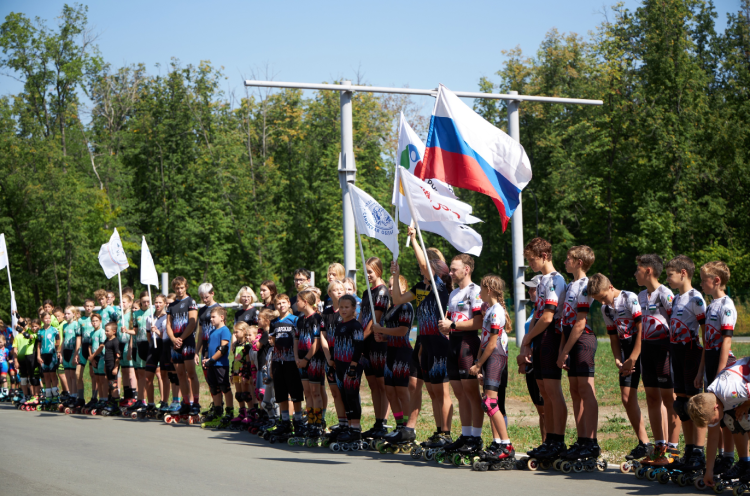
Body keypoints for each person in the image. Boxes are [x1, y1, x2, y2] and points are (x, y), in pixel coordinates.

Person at [391, 228, 453, 446]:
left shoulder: (442, 284)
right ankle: (431, 431)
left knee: (441, 389)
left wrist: (413, 239)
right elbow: (397, 298)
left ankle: (445, 433)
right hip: (424, 342)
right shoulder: (421, 288)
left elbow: (427, 265)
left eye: (423, 265)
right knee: (424, 388)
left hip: (439, 342)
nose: (420, 269)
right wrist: (396, 274)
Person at [588, 273, 651, 458]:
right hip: (626, 352)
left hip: (641, 349)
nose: (602, 302)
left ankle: (665, 444)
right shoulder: (605, 309)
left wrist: (634, 357)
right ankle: (644, 443)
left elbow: (642, 329)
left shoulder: (629, 298)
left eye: (602, 297)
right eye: (598, 300)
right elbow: (613, 336)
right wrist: (618, 357)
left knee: (654, 396)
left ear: (610, 287)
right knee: (626, 397)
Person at [519, 238, 568, 459]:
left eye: (532, 260)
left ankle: (558, 441)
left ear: (545, 256)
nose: (530, 265)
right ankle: (549, 440)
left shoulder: (555, 280)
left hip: (550, 337)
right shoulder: (541, 281)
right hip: (539, 338)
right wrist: (529, 341)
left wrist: (527, 339)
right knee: (544, 393)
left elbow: (548, 316)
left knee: (553, 392)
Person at [635, 254, 680, 463]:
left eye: (638, 269)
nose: (635, 273)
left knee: (669, 400)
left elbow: (675, 320)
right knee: (652, 398)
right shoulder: (641, 295)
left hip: (664, 350)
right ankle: (659, 445)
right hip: (647, 350)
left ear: (648, 271)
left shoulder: (665, 293)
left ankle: (673, 449)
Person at [437, 254, 485, 454]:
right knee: (459, 393)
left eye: (454, 269)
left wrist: (454, 325)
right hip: (453, 344)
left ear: (466, 269)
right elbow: (450, 319)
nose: (450, 272)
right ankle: (465, 435)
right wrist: (445, 327)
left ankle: (476, 437)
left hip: (469, 342)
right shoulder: (453, 293)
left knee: (471, 393)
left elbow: (479, 322)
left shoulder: (476, 291)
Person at [556, 246, 599, 458]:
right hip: (570, 339)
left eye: (568, 258)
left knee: (585, 389)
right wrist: (562, 350)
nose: (565, 262)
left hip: (583, 340)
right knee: (574, 390)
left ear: (579, 262)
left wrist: (565, 350)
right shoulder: (571, 284)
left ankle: (591, 441)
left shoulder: (585, 285)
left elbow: (580, 322)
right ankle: (581, 439)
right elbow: (566, 320)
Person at [666, 255, 708, 470]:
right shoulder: (675, 299)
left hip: (691, 354)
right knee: (681, 406)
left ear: (683, 273)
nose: (668, 279)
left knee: (694, 406)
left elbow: (705, 332)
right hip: (677, 354)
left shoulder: (695, 298)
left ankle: (699, 453)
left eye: (670, 275)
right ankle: (690, 450)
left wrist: (701, 366)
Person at [696, 261, 737, 473]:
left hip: (724, 364)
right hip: (710, 361)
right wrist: (701, 371)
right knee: (713, 414)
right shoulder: (711, 305)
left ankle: (728, 457)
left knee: (726, 414)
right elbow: (707, 343)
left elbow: (726, 342)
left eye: (704, 280)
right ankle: (720, 456)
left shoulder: (727, 305)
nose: (701, 284)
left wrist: (721, 374)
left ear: (717, 280)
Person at [469, 274, 515, 460]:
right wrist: (478, 364)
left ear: (489, 290)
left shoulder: (497, 311)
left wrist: (479, 363)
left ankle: (506, 445)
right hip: (488, 357)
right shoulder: (489, 310)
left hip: (496, 356)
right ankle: (498, 443)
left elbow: (492, 343)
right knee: (487, 403)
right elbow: (483, 341)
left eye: (481, 288)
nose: (479, 291)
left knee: (490, 403)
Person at [687, 357, 750, 488]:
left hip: (745, 383)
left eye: (713, 420)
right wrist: (709, 471)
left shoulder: (732, 393)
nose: (714, 422)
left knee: (745, 418)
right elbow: (713, 438)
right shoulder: (711, 399)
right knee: (731, 419)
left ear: (716, 407)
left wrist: (747, 404)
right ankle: (745, 462)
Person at [373, 274, 414, 444]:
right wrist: (383, 338)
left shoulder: (406, 306)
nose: (390, 289)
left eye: (394, 286)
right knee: (390, 391)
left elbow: (403, 331)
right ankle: (398, 426)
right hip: (390, 352)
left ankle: (407, 428)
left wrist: (382, 330)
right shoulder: (391, 308)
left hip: (402, 354)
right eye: (389, 286)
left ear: (403, 288)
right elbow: (391, 333)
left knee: (402, 392)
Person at [358, 257, 390, 439]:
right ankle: (377, 422)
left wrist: (361, 338)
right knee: (372, 385)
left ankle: (383, 423)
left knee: (381, 384)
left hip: (378, 342)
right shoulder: (365, 292)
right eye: (366, 271)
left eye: (370, 271)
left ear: (378, 270)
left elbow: (374, 319)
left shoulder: (383, 292)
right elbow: (362, 317)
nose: (368, 275)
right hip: (365, 343)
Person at [333, 295, 366, 443]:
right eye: (341, 307)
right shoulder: (339, 324)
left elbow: (359, 346)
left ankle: (355, 429)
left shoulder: (356, 326)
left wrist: (353, 365)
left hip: (351, 366)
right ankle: (348, 426)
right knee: (344, 396)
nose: (344, 310)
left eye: (347, 307)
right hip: (339, 366)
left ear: (354, 308)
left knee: (352, 396)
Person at [269, 293, 303, 437]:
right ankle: (284, 422)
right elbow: (272, 342)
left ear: (289, 303)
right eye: (278, 304)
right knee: (281, 393)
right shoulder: (274, 322)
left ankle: (298, 421)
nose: (281, 306)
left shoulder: (296, 320)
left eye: (284, 302)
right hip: (278, 360)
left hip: (292, 361)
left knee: (295, 393)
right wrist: (271, 364)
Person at [166, 276, 200, 417]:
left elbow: (192, 323)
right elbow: (168, 325)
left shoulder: (190, 302)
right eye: (177, 288)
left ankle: (195, 403)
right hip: (175, 343)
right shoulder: (171, 305)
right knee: (180, 374)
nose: (179, 290)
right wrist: (174, 339)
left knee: (191, 374)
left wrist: (181, 338)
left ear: (186, 287)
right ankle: (185, 403)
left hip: (187, 341)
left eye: (181, 287)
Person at [295, 289, 326, 435]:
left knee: (315, 392)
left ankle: (318, 423)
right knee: (307, 392)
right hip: (301, 360)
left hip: (314, 360)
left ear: (305, 302)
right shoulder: (300, 319)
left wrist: (306, 359)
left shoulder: (316, 319)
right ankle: (310, 421)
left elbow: (317, 342)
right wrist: (297, 357)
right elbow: (296, 339)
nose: (296, 303)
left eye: (298, 300)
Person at [520, 275, 545, 441]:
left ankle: (552, 442)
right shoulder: (534, 309)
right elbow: (526, 336)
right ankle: (545, 443)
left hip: (542, 360)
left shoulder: (545, 310)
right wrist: (522, 356)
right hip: (530, 362)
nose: (529, 291)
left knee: (546, 407)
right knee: (540, 408)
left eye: (532, 288)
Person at [201, 306, 234, 426]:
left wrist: (212, 360)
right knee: (214, 388)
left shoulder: (224, 330)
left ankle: (229, 412)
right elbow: (209, 347)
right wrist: (206, 359)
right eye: (210, 317)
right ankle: (217, 411)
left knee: (225, 387)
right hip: (212, 364)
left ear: (222, 317)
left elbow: (223, 349)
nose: (211, 319)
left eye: (213, 317)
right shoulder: (212, 331)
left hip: (220, 364)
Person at [321, 280, 346, 431]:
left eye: (341, 290)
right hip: (330, 359)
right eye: (335, 290)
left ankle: (351, 422)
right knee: (335, 392)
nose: (338, 292)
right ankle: (341, 422)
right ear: (329, 294)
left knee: (345, 392)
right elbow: (323, 336)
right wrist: (329, 357)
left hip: (344, 357)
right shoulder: (326, 313)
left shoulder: (347, 312)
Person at [132, 291, 153, 412]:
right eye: (143, 301)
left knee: (152, 375)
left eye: (148, 301)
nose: (146, 303)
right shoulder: (136, 314)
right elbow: (135, 331)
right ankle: (140, 400)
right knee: (140, 374)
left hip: (151, 343)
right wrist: (127, 330)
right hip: (140, 343)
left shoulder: (153, 311)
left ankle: (156, 401)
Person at [75, 299, 97, 410]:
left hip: (93, 348)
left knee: (93, 374)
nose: (88, 308)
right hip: (83, 348)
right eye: (87, 306)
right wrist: (77, 351)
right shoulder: (80, 320)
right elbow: (79, 336)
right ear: (84, 307)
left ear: (93, 307)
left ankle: (94, 398)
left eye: (90, 306)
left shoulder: (96, 318)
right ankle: (81, 398)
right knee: (77, 373)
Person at [196, 283, 220, 381]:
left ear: (212, 293)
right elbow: (201, 332)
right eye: (202, 298)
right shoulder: (201, 311)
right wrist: (197, 351)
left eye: (206, 297)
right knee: (209, 379)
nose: (204, 300)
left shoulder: (218, 309)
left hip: (216, 348)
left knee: (218, 379)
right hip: (205, 347)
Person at [117, 294, 137, 407]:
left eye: (124, 302)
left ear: (130, 303)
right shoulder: (120, 315)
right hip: (120, 344)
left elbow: (133, 332)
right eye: (121, 302)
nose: (122, 304)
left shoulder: (131, 315)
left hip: (128, 344)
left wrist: (130, 349)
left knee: (130, 373)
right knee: (124, 371)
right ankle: (126, 395)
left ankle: (133, 396)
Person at [36, 311, 60, 403]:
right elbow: (39, 345)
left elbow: (58, 341)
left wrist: (56, 350)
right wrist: (38, 356)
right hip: (43, 356)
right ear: (42, 319)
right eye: (46, 318)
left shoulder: (54, 330)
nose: (48, 320)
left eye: (49, 318)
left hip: (52, 355)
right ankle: (48, 396)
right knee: (46, 377)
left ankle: (55, 395)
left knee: (53, 376)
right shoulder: (40, 331)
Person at [60, 306, 81, 407]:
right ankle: (70, 394)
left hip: (73, 351)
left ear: (74, 314)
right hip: (66, 352)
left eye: (68, 313)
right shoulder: (64, 326)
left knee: (73, 376)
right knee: (67, 375)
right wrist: (60, 352)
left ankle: (74, 395)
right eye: (65, 313)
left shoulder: (76, 325)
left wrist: (76, 354)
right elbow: (64, 340)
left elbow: (78, 340)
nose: (66, 315)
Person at [88, 313, 108, 411]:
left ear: (100, 322)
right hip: (94, 358)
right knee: (97, 379)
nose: (94, 323)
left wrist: (93, 356)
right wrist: (91, 358)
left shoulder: (102, 332)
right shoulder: (92, 333)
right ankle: (100, 399)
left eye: (96, 321)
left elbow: (101, 346)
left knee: (102, 379)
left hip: (101, 357)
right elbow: (89, 346)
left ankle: (105, 398)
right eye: (93, 321)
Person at [103, 322, 122, 414]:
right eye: (105, 331)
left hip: (113, 366)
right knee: (109, 384)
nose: (105, 332)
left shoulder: (115, 341)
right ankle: (110, 401)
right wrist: (105, 366)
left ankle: (115, 405)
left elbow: (118, 356)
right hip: (108, 365)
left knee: (114, 385)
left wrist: (116, 367)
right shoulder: (107, 341)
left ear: (114, 331)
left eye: (107, 331)